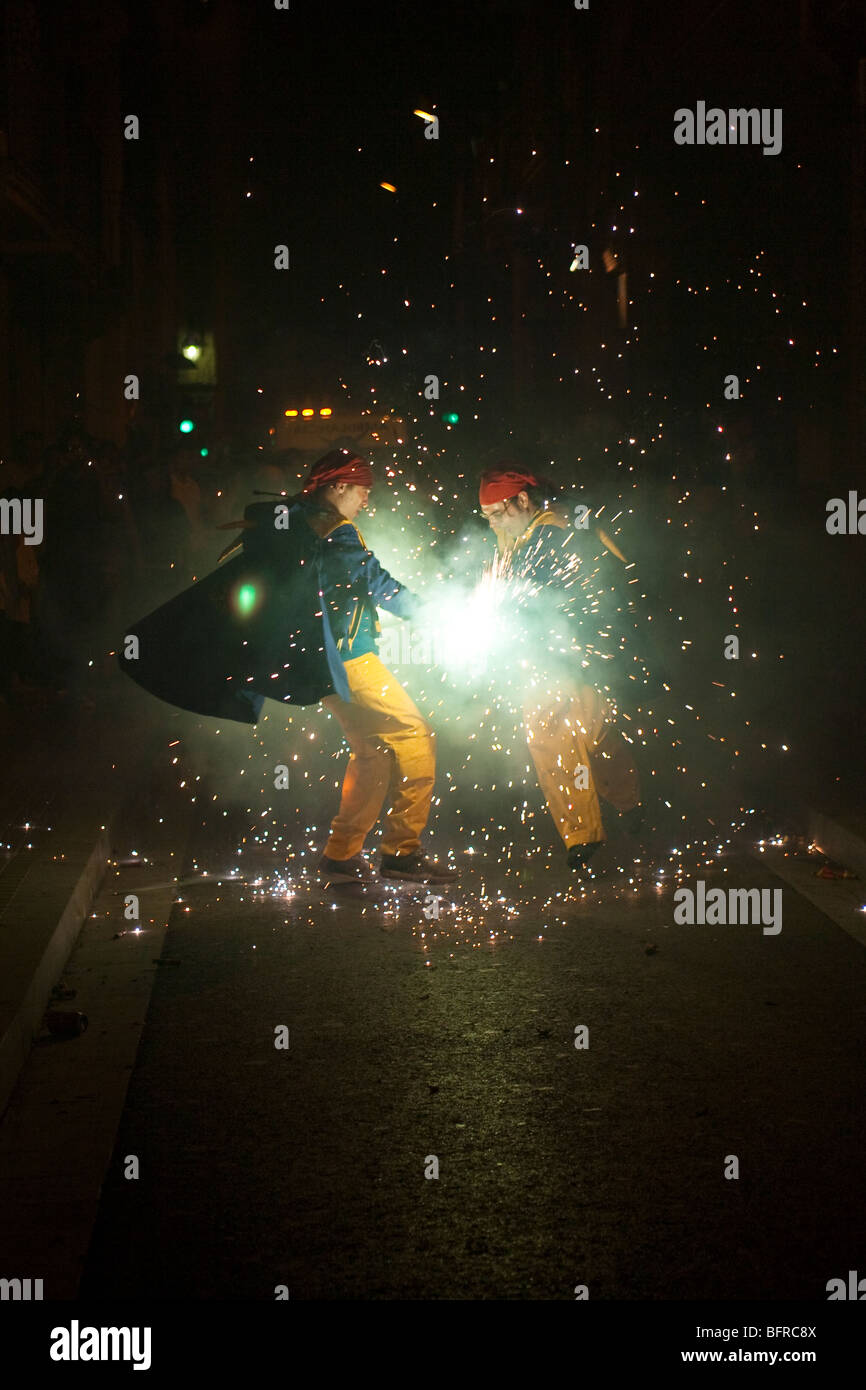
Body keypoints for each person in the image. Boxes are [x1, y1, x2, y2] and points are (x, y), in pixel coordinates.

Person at [294, 450, 457, 886]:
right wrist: (432, 614)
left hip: (322, 659)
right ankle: (402, 852)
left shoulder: (301, 520)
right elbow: (375, 581)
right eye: (362, 491)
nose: (366, 501)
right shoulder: (335, 529)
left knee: (373, 751)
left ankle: (340, 856)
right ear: (340, 487)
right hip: (348, 657)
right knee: (415, 734)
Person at [478, 464, 641, 872]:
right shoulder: (559, 520)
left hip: (556, 653)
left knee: (549, 731)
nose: (496, 524)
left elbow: (542, 595)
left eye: (499, 514)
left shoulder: (550, 534)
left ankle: (584, 836)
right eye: (488, 519)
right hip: (586, 653)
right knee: (594, 728)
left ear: (522, 499)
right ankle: (632, 803)